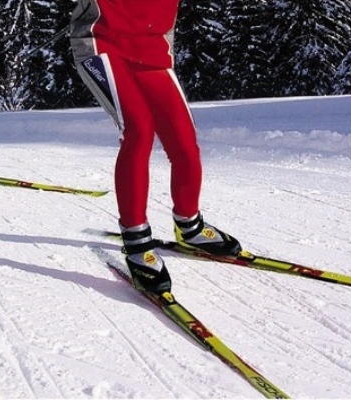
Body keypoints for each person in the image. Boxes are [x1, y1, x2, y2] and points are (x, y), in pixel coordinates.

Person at [70, 0, 242, 294]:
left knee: (184, 140)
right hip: (101, 44)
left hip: (153, 49)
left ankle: (190, 226)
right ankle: (136, 238)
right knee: (138, 130)